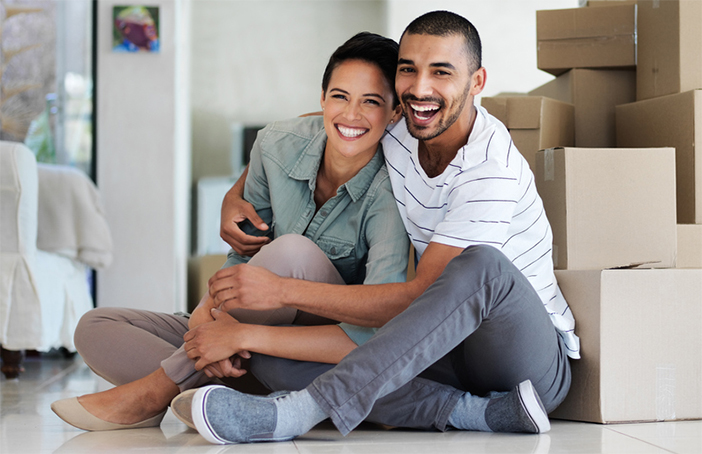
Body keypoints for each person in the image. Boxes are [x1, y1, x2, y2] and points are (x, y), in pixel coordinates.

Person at [184, 10, 580, 445]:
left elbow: (419, 295)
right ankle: (476, 412)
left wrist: (277, 296)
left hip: (524, 362)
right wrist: (235, 191)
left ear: (477, 82)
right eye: (408, 70)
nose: (420, 87)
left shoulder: (490, 169)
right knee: (276, 357)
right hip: (446, 350)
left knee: (480, 265)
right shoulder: (404, 127)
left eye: (441, 72)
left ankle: (301, 412)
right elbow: (333, 119)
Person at [50, 31, 408, 431]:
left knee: (292, 253)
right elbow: (242, 256)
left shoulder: (394, 188)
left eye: (372, 102)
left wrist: (243, 336)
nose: (351, 115)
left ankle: (159, 388)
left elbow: (375, 329)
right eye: (340, 96)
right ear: (322, 99)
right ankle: (226, 391)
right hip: (252, 336)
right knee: (95, 327)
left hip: (315, 347)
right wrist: (207, 323)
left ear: (394, 114)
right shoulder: (275, 145)